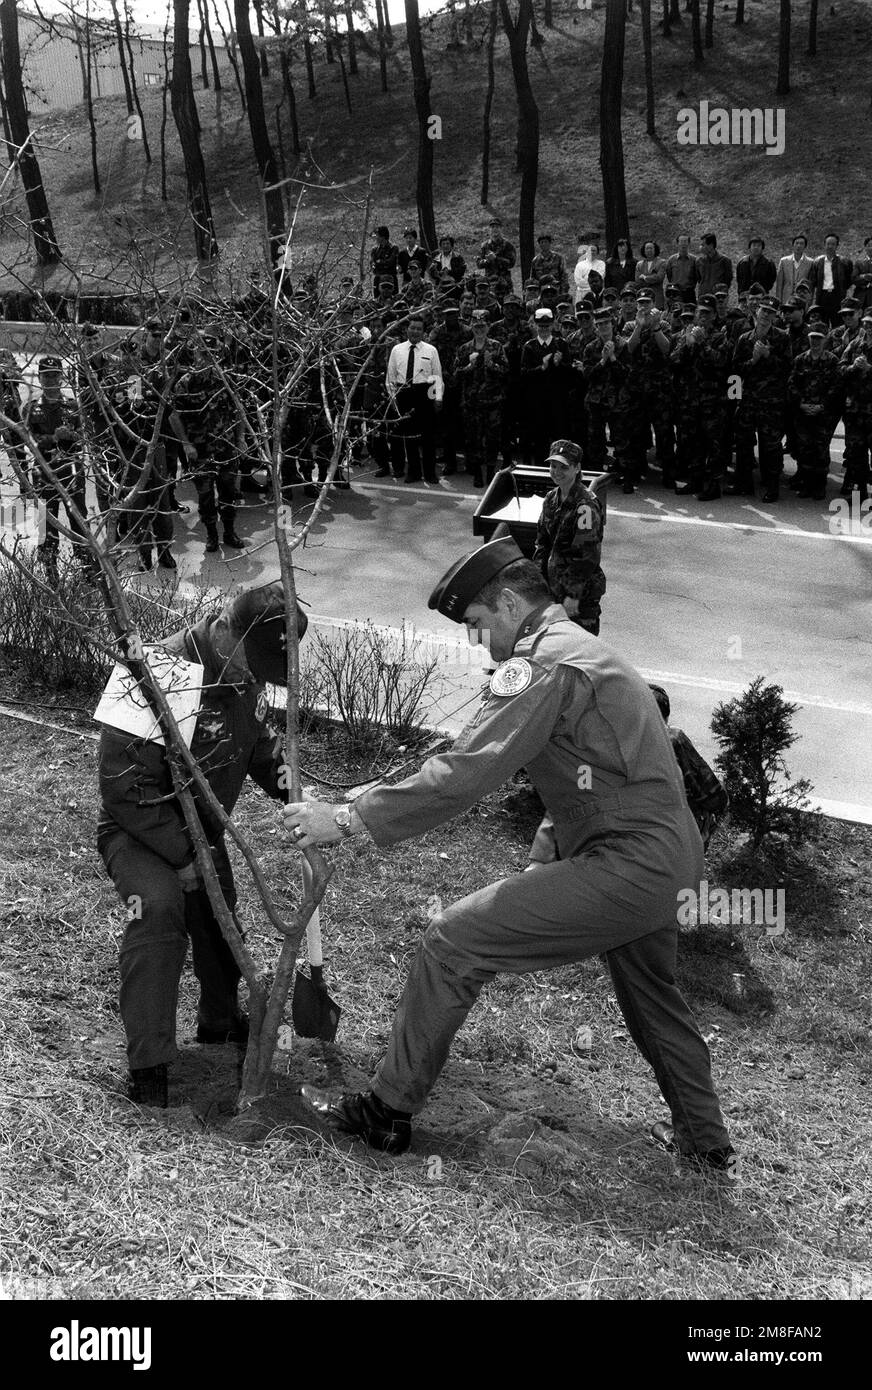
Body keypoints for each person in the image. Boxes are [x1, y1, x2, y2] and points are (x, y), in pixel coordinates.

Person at [287, 539, 735, 1175]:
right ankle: (705, 1140)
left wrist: (346, 819)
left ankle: (386, 1111)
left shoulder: (545, 664)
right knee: (651, 994)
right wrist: (542, 863)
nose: (477, 641)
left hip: (630, 863)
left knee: (452, 940)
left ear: (507, 602)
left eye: (476, 623)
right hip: (669, 857)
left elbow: (469, 772)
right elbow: (584, 779)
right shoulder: (582, 650)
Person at [97, 582, 308, 1107]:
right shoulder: (154, 674)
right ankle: (149, 1062)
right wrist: (187, 857)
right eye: (253, 662)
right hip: (139, 831)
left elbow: (256, 745)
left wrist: (294, 790)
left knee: (220, 918)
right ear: (220, 629)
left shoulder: (244, 672)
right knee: (159, 911)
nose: (256, 677)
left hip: (203, 833)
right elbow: (123, 786)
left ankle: (218, 1023)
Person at [21, 355, 93, 578]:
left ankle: (86, 568)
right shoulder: (31, 410)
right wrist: (53, 438)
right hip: (44, 473)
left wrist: (73, 436)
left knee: (78, 519)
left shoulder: (73, 406)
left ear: (61, 377)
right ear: (40, 379)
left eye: (55, 375)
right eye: (47, 376)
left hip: (71, 471)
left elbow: (86, 439)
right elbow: (30, 444)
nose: (51, 380)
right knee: (46, 521)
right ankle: (50, 571)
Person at [532, 438, 606, 635]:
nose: (556, 472)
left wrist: (573, 593)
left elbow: (587, 554)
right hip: (553, 589)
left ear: (577, 468)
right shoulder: (550, 499)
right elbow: (542, 543)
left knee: (581, 647)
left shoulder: (585, 507)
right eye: (553, 466)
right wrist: (539, 582)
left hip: (580, 594)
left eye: (563, 467)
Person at [648, 686, 729, 851]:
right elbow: (713, 795)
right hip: (676, 837)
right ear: (666, 715)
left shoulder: (618, 742)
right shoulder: (673, 740)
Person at [729, 298, 791, 502]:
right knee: (744, 443)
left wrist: (768, 356)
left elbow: (787, 369)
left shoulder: (782, 338)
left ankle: (772, 487)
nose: (766, 315)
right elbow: (736, 370)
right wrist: (754, 360)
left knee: (770, 446)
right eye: (764, 311)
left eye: (771, 312)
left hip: (771, 402)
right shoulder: (744, 339)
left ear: (775, 316)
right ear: (756, 312)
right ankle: (743, 484)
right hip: (748, 400)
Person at [671, 296, 730, 502]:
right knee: (693, 442)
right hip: (690, 399)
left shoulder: (719, 337)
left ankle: (713, 485)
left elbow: (722, 363)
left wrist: (703, 343)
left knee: (713, 444)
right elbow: (675, 362)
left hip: (712, 401)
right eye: (700, 313)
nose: (702, 317)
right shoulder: (687, 334)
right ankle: (695, 480)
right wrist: (688, 345)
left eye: (707, 313)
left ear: (714, 315)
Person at [385, 313, 444, 484]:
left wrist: (438, 398)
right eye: (412, 328)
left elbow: (437, 376)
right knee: (409, 437)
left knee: (428, 437)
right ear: (406, 330)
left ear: (424, 331)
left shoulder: (431, 350)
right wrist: (393, 397)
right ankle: (414, 472)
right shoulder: (397, 350)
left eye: (419, 329)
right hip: (404, 394)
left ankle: (430, 473)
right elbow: (390, 376)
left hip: (424, 394)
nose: (415, 331)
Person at [454, 310, 508, 488]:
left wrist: (492, 365)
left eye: (482, 326)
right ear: (471, 327)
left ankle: (491, 472)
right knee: (473, 440)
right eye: (476, 326)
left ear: (488, 327)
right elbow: (455, 375)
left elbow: (506, 371)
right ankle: (477, 473)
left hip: (493, 402)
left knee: (493, 440)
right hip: (472, 404)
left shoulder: (496, 347)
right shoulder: (464, 349)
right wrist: (468, 367)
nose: (479, 329)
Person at [787, 328, 841, 499]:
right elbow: (792, 383)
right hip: (803, 413)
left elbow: (836, 387)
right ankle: (806, 484)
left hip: (823, 414)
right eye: (812, 338)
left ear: (825, 340)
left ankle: (819, 486)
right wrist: (801, 403)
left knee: (821, 450)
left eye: (819, 338)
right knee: (805, 449)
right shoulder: (801, 359)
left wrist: (822, 405)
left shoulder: (832, 360)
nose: (815, 342)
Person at [520, 307, 573, 465]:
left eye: (547, 326)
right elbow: (523, 374)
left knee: (558, 441)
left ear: (553, 325)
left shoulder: (561, 344)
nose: (544, 329)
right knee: (539, 441)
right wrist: (541, 368)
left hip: (557, 402)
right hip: (537, 403)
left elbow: (570, 372)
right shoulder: (529, 346)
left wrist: (559, 364)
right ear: (536, 326)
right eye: (541, 326)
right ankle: (540, 474)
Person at [838, 309, 872, 502]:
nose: (868, 327)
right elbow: (840, 369)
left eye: (871, 324)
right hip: (855, 410)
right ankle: (860, 494)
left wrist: (869, 369)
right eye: (866, 324)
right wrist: (852, 368)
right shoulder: (855, 345)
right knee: (856, 454)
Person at [809, 233, 853, 327]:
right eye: (828, 244)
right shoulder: (817, 262)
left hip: (837, 296)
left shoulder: (844, 262)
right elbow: (813, 281)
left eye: (833, 244)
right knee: (821, 324)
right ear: (824, 245)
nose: (830, 246)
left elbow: (848, 281)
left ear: (837, 246)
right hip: (822, 296)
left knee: (838, 324)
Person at [477, 218, 516, 298]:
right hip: (490, 282)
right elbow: (479, 264)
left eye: (497, 227)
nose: (495, 229)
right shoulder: (484, 246)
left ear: (501, 229)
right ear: (489, 229)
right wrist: (487, 261)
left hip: (505, 281)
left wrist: (496, 258)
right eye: (492, 227)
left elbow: (511, 263)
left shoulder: (507, 245)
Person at [774, 234, 814, 306]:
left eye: (801, 244)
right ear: (793, 245)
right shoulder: (784, 261)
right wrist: (778, 300)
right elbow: (779, 284)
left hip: (802, 298)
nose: (798, 246)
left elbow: (811, 285)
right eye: (796, 243)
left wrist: (809, 301)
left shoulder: (810, 262)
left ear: (805, 246)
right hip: (786, 298)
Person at [665, 233, 699, 305]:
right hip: (675, 292)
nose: (683, 244)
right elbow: (669, 275)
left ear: (689, 243)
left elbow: (696, 276)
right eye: (681, 241)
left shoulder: (694, 260)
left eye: (685, 241)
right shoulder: (671, 259)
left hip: (689, 292)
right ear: (677, 244)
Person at [696, 233, 732, 301]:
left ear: (711, 245)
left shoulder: (724, 261)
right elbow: (699, 279)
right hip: (703, 297)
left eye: (703, 245)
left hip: (718, 298)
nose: (701, 247)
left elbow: (728, 280)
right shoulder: (699, 261)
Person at [531, 233, 569, 297]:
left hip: (556, 290)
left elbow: (564, 275)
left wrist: (563, 291)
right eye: (541, 242)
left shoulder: (558, 258)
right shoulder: (535, 260)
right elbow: (533, 278)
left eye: (546, 242)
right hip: (541, 292)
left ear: (550, 243)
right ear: (539, 244)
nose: (544, 244)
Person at [635, 240, 668, 309]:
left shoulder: (661, 262)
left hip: (657, 298)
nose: (649, 250)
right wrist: (652, 278)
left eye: (651, 248)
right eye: (647, 248)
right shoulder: (639, 264)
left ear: (655, 249)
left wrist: (645, 278)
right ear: (644, 250)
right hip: (643, 297)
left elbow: (659, 277)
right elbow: (638, 280)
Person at [370, 225, 399, 295]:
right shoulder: (375, 250)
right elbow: (372, 264)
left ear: (383, 237)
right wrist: (380, 263)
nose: (376, 238)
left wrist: (379, 262)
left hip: (391, 279)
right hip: (378, 278)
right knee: (377, 302)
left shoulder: (393, 248)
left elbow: (390, 262)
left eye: (377, 235)